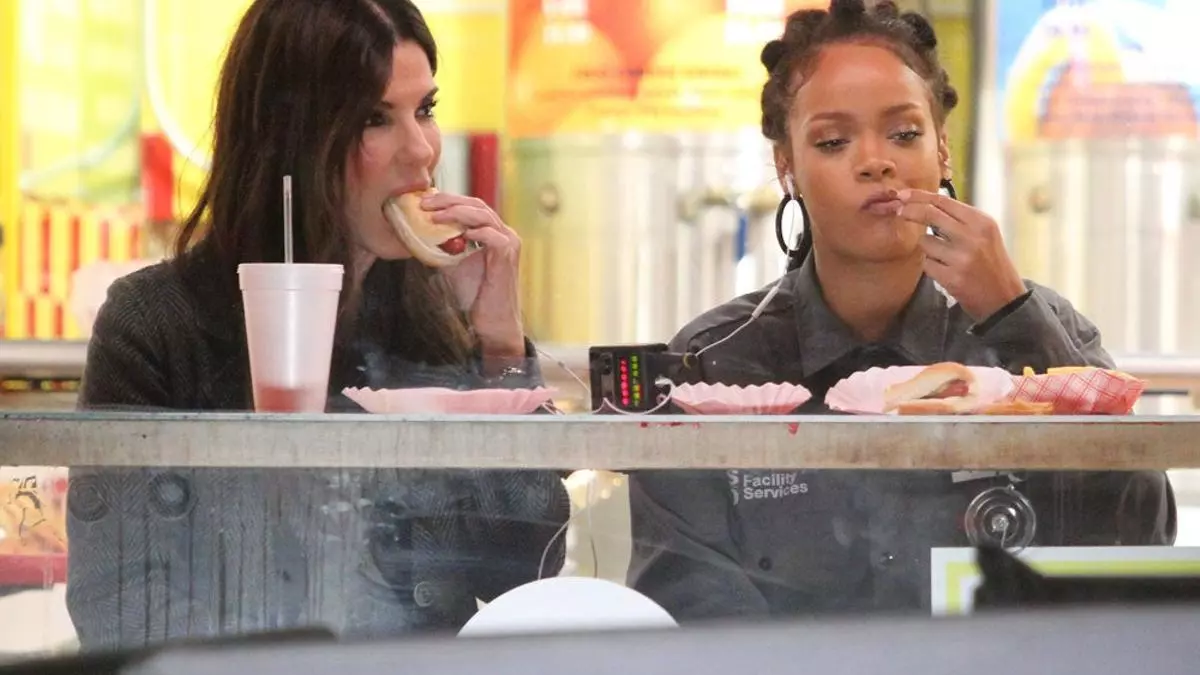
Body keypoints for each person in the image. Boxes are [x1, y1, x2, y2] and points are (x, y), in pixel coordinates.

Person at [627, 0, 1175, 621]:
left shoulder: (1040, 328)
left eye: (905, 134)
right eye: (833, 141)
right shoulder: (714, 362)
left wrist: (1015, 317)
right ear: (788, 168)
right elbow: (686, 603)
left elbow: (1141, 540)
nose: (876, 161)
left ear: (943, 150)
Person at [67, 0, 568, 649]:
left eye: (425, 109)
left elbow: (525, 567)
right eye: (374, 119)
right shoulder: (159, 323)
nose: (420, 151)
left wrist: (498, 344)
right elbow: (118, 601)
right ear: (294, 135)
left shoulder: (437, 316)